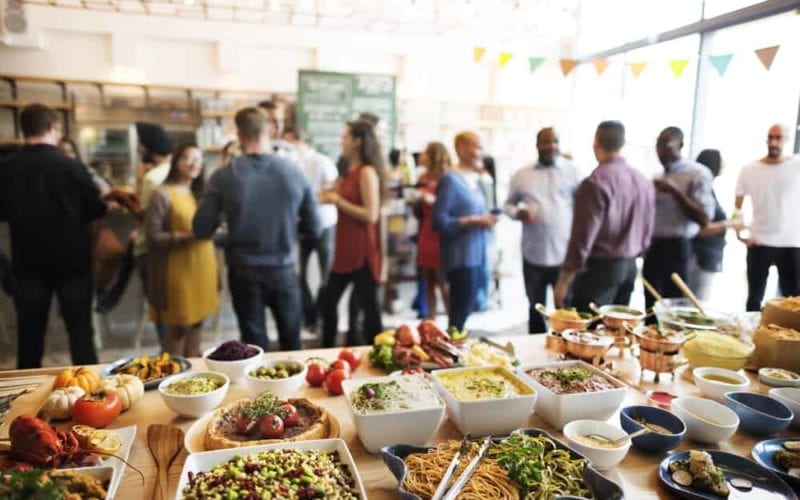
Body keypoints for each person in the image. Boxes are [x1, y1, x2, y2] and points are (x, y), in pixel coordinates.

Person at [0, 104, 130, 368]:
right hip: (73, 262)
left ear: (23, 129)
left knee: (30, 335)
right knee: (81, 333)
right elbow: (94, 209)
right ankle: (91, 394)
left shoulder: (6, 167)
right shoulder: (71, 166)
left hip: (28, 262)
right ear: (52, 127)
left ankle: (26, 395)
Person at [193, 107, 320, 351]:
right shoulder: (294, 172)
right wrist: (287, 229)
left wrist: (226, 231)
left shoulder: (224, 176)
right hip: (283, 268)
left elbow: (200, 228)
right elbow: (314, 228)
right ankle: (296, 389)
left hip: (243, 270)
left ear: (239, 135)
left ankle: (257, 389)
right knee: (292, 342)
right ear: (270, 131)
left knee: (253, 346)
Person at [554, 121, 655, 311]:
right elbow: (647, 229)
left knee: (588, 332)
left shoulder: (595, 183)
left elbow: (582, 238)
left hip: (599, 270)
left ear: (596, 141)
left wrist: (564, 280)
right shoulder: (642, 181)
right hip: (629, 266)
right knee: (616, 331)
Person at [505, 127, 582, 333]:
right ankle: (535, 357)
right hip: (534, 255)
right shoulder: (522, 175)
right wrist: (517, 212)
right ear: (537, 145)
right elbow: (508, 205)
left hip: (564, 255)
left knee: (566, 310)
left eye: (555, 141)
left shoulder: (573, 171)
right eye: (546, 142)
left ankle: (565, 355)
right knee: (535, 308)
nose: (551, 146)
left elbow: (584, 208)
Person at [145, 144, 218, 357]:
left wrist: (217, 229)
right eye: (188, 158)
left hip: (204, 265)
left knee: (198, 323)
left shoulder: (202, 193)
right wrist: (187, 235)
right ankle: (172, 375)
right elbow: (152, 236)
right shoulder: (161, 193)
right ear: (176, 161)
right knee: (178, 327)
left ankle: (195, 376)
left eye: (198, 159)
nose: (194, 164)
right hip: (177, 269)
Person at [318, 120, 385, 347]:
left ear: (357, 142)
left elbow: (371, 214)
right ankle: (327, 351)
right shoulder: (348, 171)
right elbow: (330, 193)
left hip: (362, 251)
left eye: (345, 137)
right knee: (329, 302)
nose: (341, 141)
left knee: (369, 309)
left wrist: (338, 201)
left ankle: (378, 356)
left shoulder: (367, 173)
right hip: (345, 250)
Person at [642, 127, 715, 311]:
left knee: (674, 306)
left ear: (680, 145)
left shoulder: (697, 174)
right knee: (651, 305)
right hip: (653, 247)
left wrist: (674, 192)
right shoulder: (658, 176)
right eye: (658, 145)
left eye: (666, 145)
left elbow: (704, 218)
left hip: (677, 248)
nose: (661, 151)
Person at [433, 131, 497, 331]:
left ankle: (455, 350)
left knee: (467, 309)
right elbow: (439, 221)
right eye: (476, 146)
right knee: (459, 314)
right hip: (460, 258)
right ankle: (450, 356)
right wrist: (473, 221)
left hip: (477, 256)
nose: (481, 152)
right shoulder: (450, 180)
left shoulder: (474, 179)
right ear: (461, 149)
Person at [735, 124, 800, 311]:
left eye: (778, 137)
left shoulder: (796, 165)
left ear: (786, 140)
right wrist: (739, 232)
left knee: (793, 300)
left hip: (791, 243)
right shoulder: (749, 169)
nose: (773, 142)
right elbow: (737, 207)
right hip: (759, 241)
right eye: (770, 137)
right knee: (754, 299)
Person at [283, 127, 339, 330]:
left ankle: (323, 316)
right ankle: (311, 313)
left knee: (326, 275)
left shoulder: (322, 161)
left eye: (288, 142)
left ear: (299, 140)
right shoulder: (290, 164)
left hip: (325, 223)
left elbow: (334, 191)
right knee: (298, 274)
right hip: (301, 225)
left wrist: (309, 198)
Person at [689, 149, 740, 300]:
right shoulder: (700, 191)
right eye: (721, 160)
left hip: (706, 258)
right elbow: (698, 229)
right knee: (696, 305)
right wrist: (729, 224)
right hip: (699, 257)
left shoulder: (708, 190)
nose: (723, 164)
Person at [416, 141, 452, 319]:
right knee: (428, 279)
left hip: (441, 234)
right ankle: (431, 318)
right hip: (425, 231)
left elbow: (450, 206)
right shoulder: (422, 177)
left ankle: (453, 320)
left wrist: (432, 201)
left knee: (443, 280)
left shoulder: (448, 177)